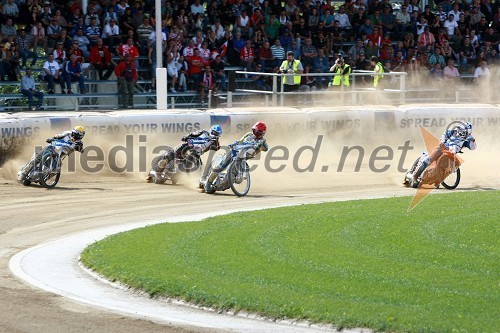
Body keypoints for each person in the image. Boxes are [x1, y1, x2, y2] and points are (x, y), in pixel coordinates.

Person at [147, 125, 223, 183]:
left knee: (182, 174)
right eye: (214, 132)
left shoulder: (214, 142)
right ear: (211, 131)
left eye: (216, 134)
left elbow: (217, 147)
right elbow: (193, 134)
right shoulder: (203, 132)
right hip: (187, 146)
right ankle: (157, 171)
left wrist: (214, 141)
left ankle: (185, 177)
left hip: (196, 154)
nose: (214, 134)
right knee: (170, 155)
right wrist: (186, 137)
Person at [202, 121, 268, 187]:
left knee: (231, 177)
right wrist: (234, 143)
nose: (256, 133)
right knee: (221, 166)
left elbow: (266, 148)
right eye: (255, 130)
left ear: (262, 133)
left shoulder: (262, 141)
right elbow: (240, 141)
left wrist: (260, 146)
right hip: (235, 151)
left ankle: (219, 185)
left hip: (243, 157)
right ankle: (208, 182)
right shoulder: (249, 135)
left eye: (258, 132)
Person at [411, 122, 476, 186]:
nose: (461, 132)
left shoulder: (468, 139)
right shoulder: (453, 131)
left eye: (464, 131)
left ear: (468, 132)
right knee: (428, 160)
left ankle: (435, 180)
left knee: (449, 168)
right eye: (460, 129)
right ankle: (415, 177)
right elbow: (444, 134)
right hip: (442, 148)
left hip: (451, 153)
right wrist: (442, 141)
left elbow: (473, 147)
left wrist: (472, 141)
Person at [17, 126, 85, 183]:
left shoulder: (79, 143)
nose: (75, 136)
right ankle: (23, 173)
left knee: (56, 169)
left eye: (78, 135)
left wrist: (80, 149)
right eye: (74, 134)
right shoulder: (67, 133)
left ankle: (43, 179)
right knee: (37, 157)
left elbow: (81, 150)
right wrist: (51, 139)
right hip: (52, 147)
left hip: (59, 156)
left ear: (81, 136)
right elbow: (56, 136)